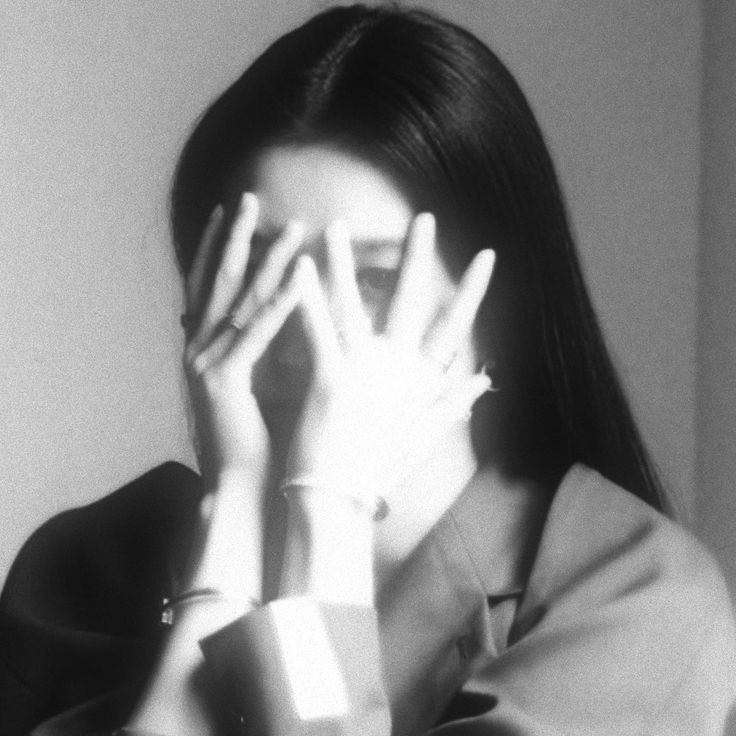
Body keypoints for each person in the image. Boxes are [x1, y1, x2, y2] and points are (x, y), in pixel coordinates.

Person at [1, 4, 735, 735]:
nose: (302, 345)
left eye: (375, 283)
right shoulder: (87, 568)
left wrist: (331, 506)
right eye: (264, 280)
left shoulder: (634, 599)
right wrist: (230, 514)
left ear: (496, 314)